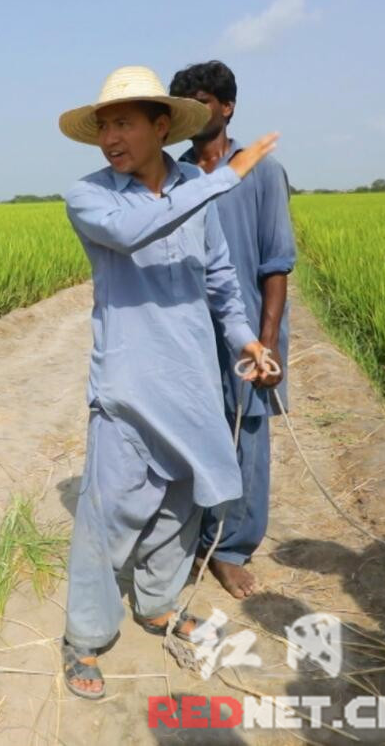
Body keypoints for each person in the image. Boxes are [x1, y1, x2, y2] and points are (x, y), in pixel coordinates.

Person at [56, 65, 277, 699]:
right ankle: (86, 638)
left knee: (181, 506)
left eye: (124, 123)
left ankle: (156, 604)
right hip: (127, 386)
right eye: (104, 126)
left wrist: (249, 342)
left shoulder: (193, 188)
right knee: (109, 516)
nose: (110, 138)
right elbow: (134, 232)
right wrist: (221, 181)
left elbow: (221, 284)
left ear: (161, 126)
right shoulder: (90, 196)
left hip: (192, 383)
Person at [171, 60, 297, 599]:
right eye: (187, 104)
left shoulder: (262, 171)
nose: (197, 113)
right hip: (188, 330)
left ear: (226, 107)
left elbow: (277, 263)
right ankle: (193, 537)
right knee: (194, 434)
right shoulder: (172, 175)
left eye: (205, 101)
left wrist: (265, 341)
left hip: (248, 327)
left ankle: (231, 547)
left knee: (246, 435)